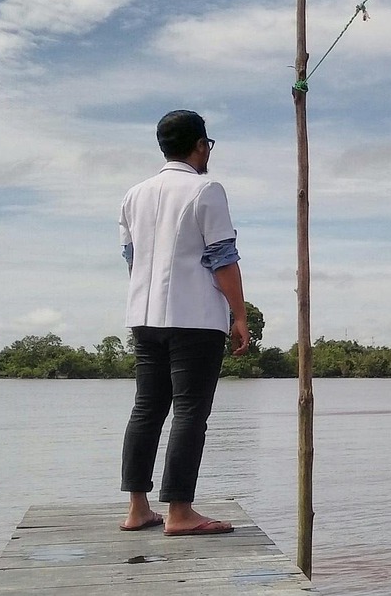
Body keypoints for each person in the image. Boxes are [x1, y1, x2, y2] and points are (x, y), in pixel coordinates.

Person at [117, 110, 251, 536]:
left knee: (147, 408)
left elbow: (131, 259)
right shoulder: (206, 189)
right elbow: (222, 257)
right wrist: (240, 314)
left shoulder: (133, 195)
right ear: (200, 145)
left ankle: (138, 508)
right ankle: (179, 512)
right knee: (190, 411)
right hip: (193, 318)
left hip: (144, 316)